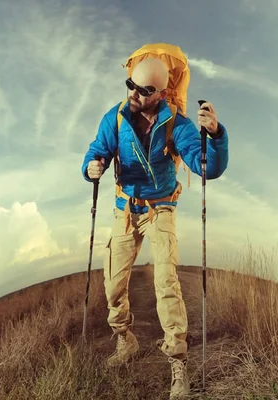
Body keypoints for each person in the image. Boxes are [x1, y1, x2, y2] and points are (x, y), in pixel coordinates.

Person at [81, 57, 229, 398]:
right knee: (113, 285)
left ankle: (178, 360)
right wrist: (92, 164)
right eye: (130, 85)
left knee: (165, 280)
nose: (134, 93)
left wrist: (215, 136)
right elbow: (97, 150)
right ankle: (125, 340)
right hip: (124, 209)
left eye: (144, 90)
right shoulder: (115, 117)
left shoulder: (178, 125)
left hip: (161, 208)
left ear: (161, 92)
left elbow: (205, 166)